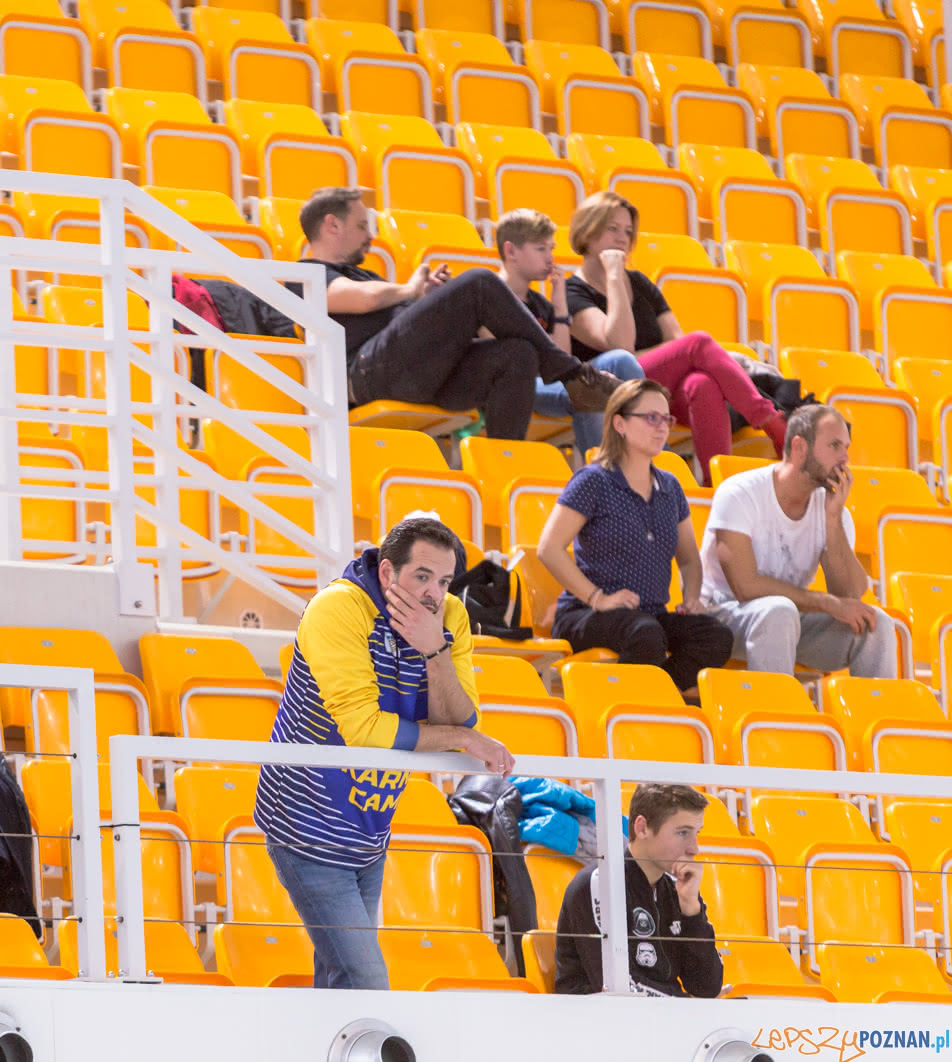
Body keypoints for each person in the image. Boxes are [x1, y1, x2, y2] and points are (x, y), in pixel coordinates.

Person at [254, 516, 516, 990]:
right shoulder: (337, 608)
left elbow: (461, 718)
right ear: (387, 572)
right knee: (365, 976)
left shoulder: (448, 617)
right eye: (421, 576)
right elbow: (365, 730)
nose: (434, 593)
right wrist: (459, 739)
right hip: (305, 822)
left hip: (369, 829)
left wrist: (434, 650)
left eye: (443, 580)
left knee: (339, 980)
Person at [297, 187, 619, 438]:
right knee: (479, 282)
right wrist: (410, 292)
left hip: (418, 372)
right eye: (361, 226)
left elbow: (384, 306)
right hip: (366, 375)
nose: (370, 236)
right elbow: (359, 300)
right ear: (332, 224)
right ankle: (572, 375)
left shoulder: (370, 277)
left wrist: (426, 301)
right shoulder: (303, 275)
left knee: (517, 354)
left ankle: (505, 463)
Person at [565, 192, 787, 484]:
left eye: (628, 232)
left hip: (655, 389)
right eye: (612, 229)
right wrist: (615, 276)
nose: (623, 238)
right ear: (587, 232)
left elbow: (678, 345)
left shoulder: (641, 284)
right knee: (698, 343)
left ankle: (715, 488)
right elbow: (620, 346)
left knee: (702, 383)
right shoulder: (572, 292)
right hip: (610, 390)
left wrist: (667, 353)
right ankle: (771, 420)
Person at [536, 379, 733, 690]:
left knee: (715, 636)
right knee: (645, 634)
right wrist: (597, 598)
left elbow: (689, 561)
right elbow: (549, 548)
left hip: (649, 615)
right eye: (651, 418)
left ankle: (658, 697)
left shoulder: (671, 488)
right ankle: (634, 712)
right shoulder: (594, 481)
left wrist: (692, 598)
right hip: (586, 613)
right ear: (620, 423)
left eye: (666, 419)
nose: (662, 427)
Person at [700, 404, 896, 678]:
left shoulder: (834, 510)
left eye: (847, 448)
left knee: (877, 624)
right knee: (778, 611)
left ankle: (879, 717)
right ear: (799, 447)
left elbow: (849, 595)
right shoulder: (739, 493)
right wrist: (826, 603)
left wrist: (832, 520)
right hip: (719, 617)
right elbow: (745, 586)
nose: (845, 458)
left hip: (788, 619)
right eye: (835, 446)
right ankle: (776, 719)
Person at [492, 208, 645, 459]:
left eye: (551, 249)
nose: (550, 258)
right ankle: (605, 473)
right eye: (541, 249)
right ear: (511, 251)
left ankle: (652, 461)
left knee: (622, 360)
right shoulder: (489, 296)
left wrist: (560, 305)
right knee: (587, 389)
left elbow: (560, 359)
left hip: (550, 380)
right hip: (516, 384)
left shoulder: (540, 304)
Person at [554, 783, 723, 996]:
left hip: (663, 1020)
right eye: (682, 833)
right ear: (642, 828)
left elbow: (707, 988)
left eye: (696, 833)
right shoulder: (599, 883)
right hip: (601, 1023)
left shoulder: (677, 890)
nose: (694, 848)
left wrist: (692, 911)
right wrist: (684, 1008)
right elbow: (621, 989)